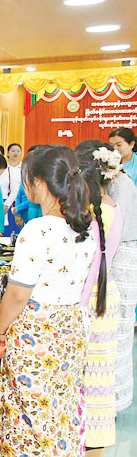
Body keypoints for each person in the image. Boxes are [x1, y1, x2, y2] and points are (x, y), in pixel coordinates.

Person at [0, 145, 96, 457]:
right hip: (68, 328)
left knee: (30, 420)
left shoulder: (38, 229)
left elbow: (18, 293)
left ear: (37, 183)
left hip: (39, 334)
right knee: (57, 418)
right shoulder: (83, 225)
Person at [75, 141, 123, 457]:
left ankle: (89, 443)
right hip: (106, 292)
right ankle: (96, 443)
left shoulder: (94, 214)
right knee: (100, 373)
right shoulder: (112, 207)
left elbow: (90, 266)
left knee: (88, 372)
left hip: (92, 296)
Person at [107, 164, 137, 414]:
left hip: (121, 258)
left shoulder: (118, 188)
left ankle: (113, 400)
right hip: (121, 256)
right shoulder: (120, 182)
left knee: (117, 333)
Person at [0, 143, 23, 235]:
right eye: (12, 151)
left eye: (18, 151)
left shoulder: (24, 167)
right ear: (7, 153)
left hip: (19, 202)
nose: (15, 153)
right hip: (5, 202)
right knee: (6, 230)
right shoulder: (3, 168)